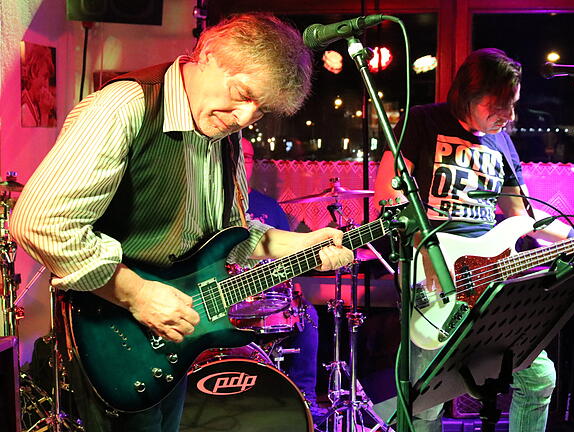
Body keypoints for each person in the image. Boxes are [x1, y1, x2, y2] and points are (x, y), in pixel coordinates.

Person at [10, 13, 352, 432]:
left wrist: (305, 245)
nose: (244, 117)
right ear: (207, 54)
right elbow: (39, 221)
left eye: (259, 111)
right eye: (242, 93)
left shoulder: (224, 133)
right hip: (112, 335)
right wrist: (135, 293)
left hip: (171, 339)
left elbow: (230, 234)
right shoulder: (124, 106)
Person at [372, 48, 574, 432]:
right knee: (425, 401)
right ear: (468, 94)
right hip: (434, 280)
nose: (508, 116)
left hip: (491, 285)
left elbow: (523, 216)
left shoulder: (502, 143)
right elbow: (387, 200)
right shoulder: (422, 122)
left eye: (513, 105)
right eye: (499, 105)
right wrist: (427, 253)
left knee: (539, 378)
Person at [241, 137, 326, 422]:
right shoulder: (214, 202)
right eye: (238, 155)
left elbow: (284, 261)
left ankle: (305, 401)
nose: (244, 161)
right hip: (226, 298)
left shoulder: (267, 206)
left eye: (250, 157)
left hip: (264, 296)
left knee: (308, 315)